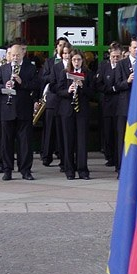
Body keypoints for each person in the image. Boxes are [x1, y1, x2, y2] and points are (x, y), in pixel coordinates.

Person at [0, 43, 40, 181]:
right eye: (13, 55)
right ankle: (7, 170)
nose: (15, 57)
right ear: (9, 55)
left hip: (24, 109)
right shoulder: (3, 69)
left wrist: (22, 82)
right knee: (6, 142)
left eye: (18, 55)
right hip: (7, 109)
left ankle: (25, 170)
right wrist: (4, 86)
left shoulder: (30, 68)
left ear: (23, 54)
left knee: (25, 142)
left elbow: (36, 85)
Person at [56, 49, 94, 180]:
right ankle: (69, 170)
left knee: (82, 141)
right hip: (67, 110)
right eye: (74, 60)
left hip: (82, 111)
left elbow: (93, 93)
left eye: (78, 60)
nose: (76, 62)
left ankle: (83, 170)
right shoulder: (64, 73)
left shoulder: (88, 74)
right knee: (68, 141)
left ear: (82, 60)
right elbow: (58, 91)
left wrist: (82, 87)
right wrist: (68, 90)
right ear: (70, 61)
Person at [39, 36, 68, 167]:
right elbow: (43, 77)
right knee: (49, 128)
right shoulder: (50, 62)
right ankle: (46, 155)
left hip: (64, 99)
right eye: (60, 45)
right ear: (56, 47)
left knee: (63, 129)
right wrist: (55, 74)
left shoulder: (70, 62)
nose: (62, 47)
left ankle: (63, 156)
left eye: (64, 45)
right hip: (51, 99)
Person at [95, 42, 122, 168]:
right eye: (113, 56)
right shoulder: (103, 66)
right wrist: (112, 89)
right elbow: (99, 84)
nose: (115, 59)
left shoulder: (123, 66)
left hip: (120, 104)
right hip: (107, 104)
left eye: (118, 56)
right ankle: (110, 156)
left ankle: (118, 158)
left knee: (119, 132)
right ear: (109, 56)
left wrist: (116, 88)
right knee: (108, 132)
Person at [115, 35, 137, 176]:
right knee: (123, 139)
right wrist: (127, 81)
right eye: (134, 47)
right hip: (124, 106)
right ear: (129, 49)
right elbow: (117, 85)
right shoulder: (121, 64)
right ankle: (121, 168)